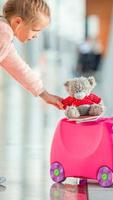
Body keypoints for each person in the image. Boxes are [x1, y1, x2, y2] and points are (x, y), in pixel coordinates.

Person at [0, 0, 64, 183]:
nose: (36, 36)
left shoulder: (4, 32)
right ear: (18, 22)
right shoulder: (3, 33)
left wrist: (43, 93)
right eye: (36, 30)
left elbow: (19, 67)